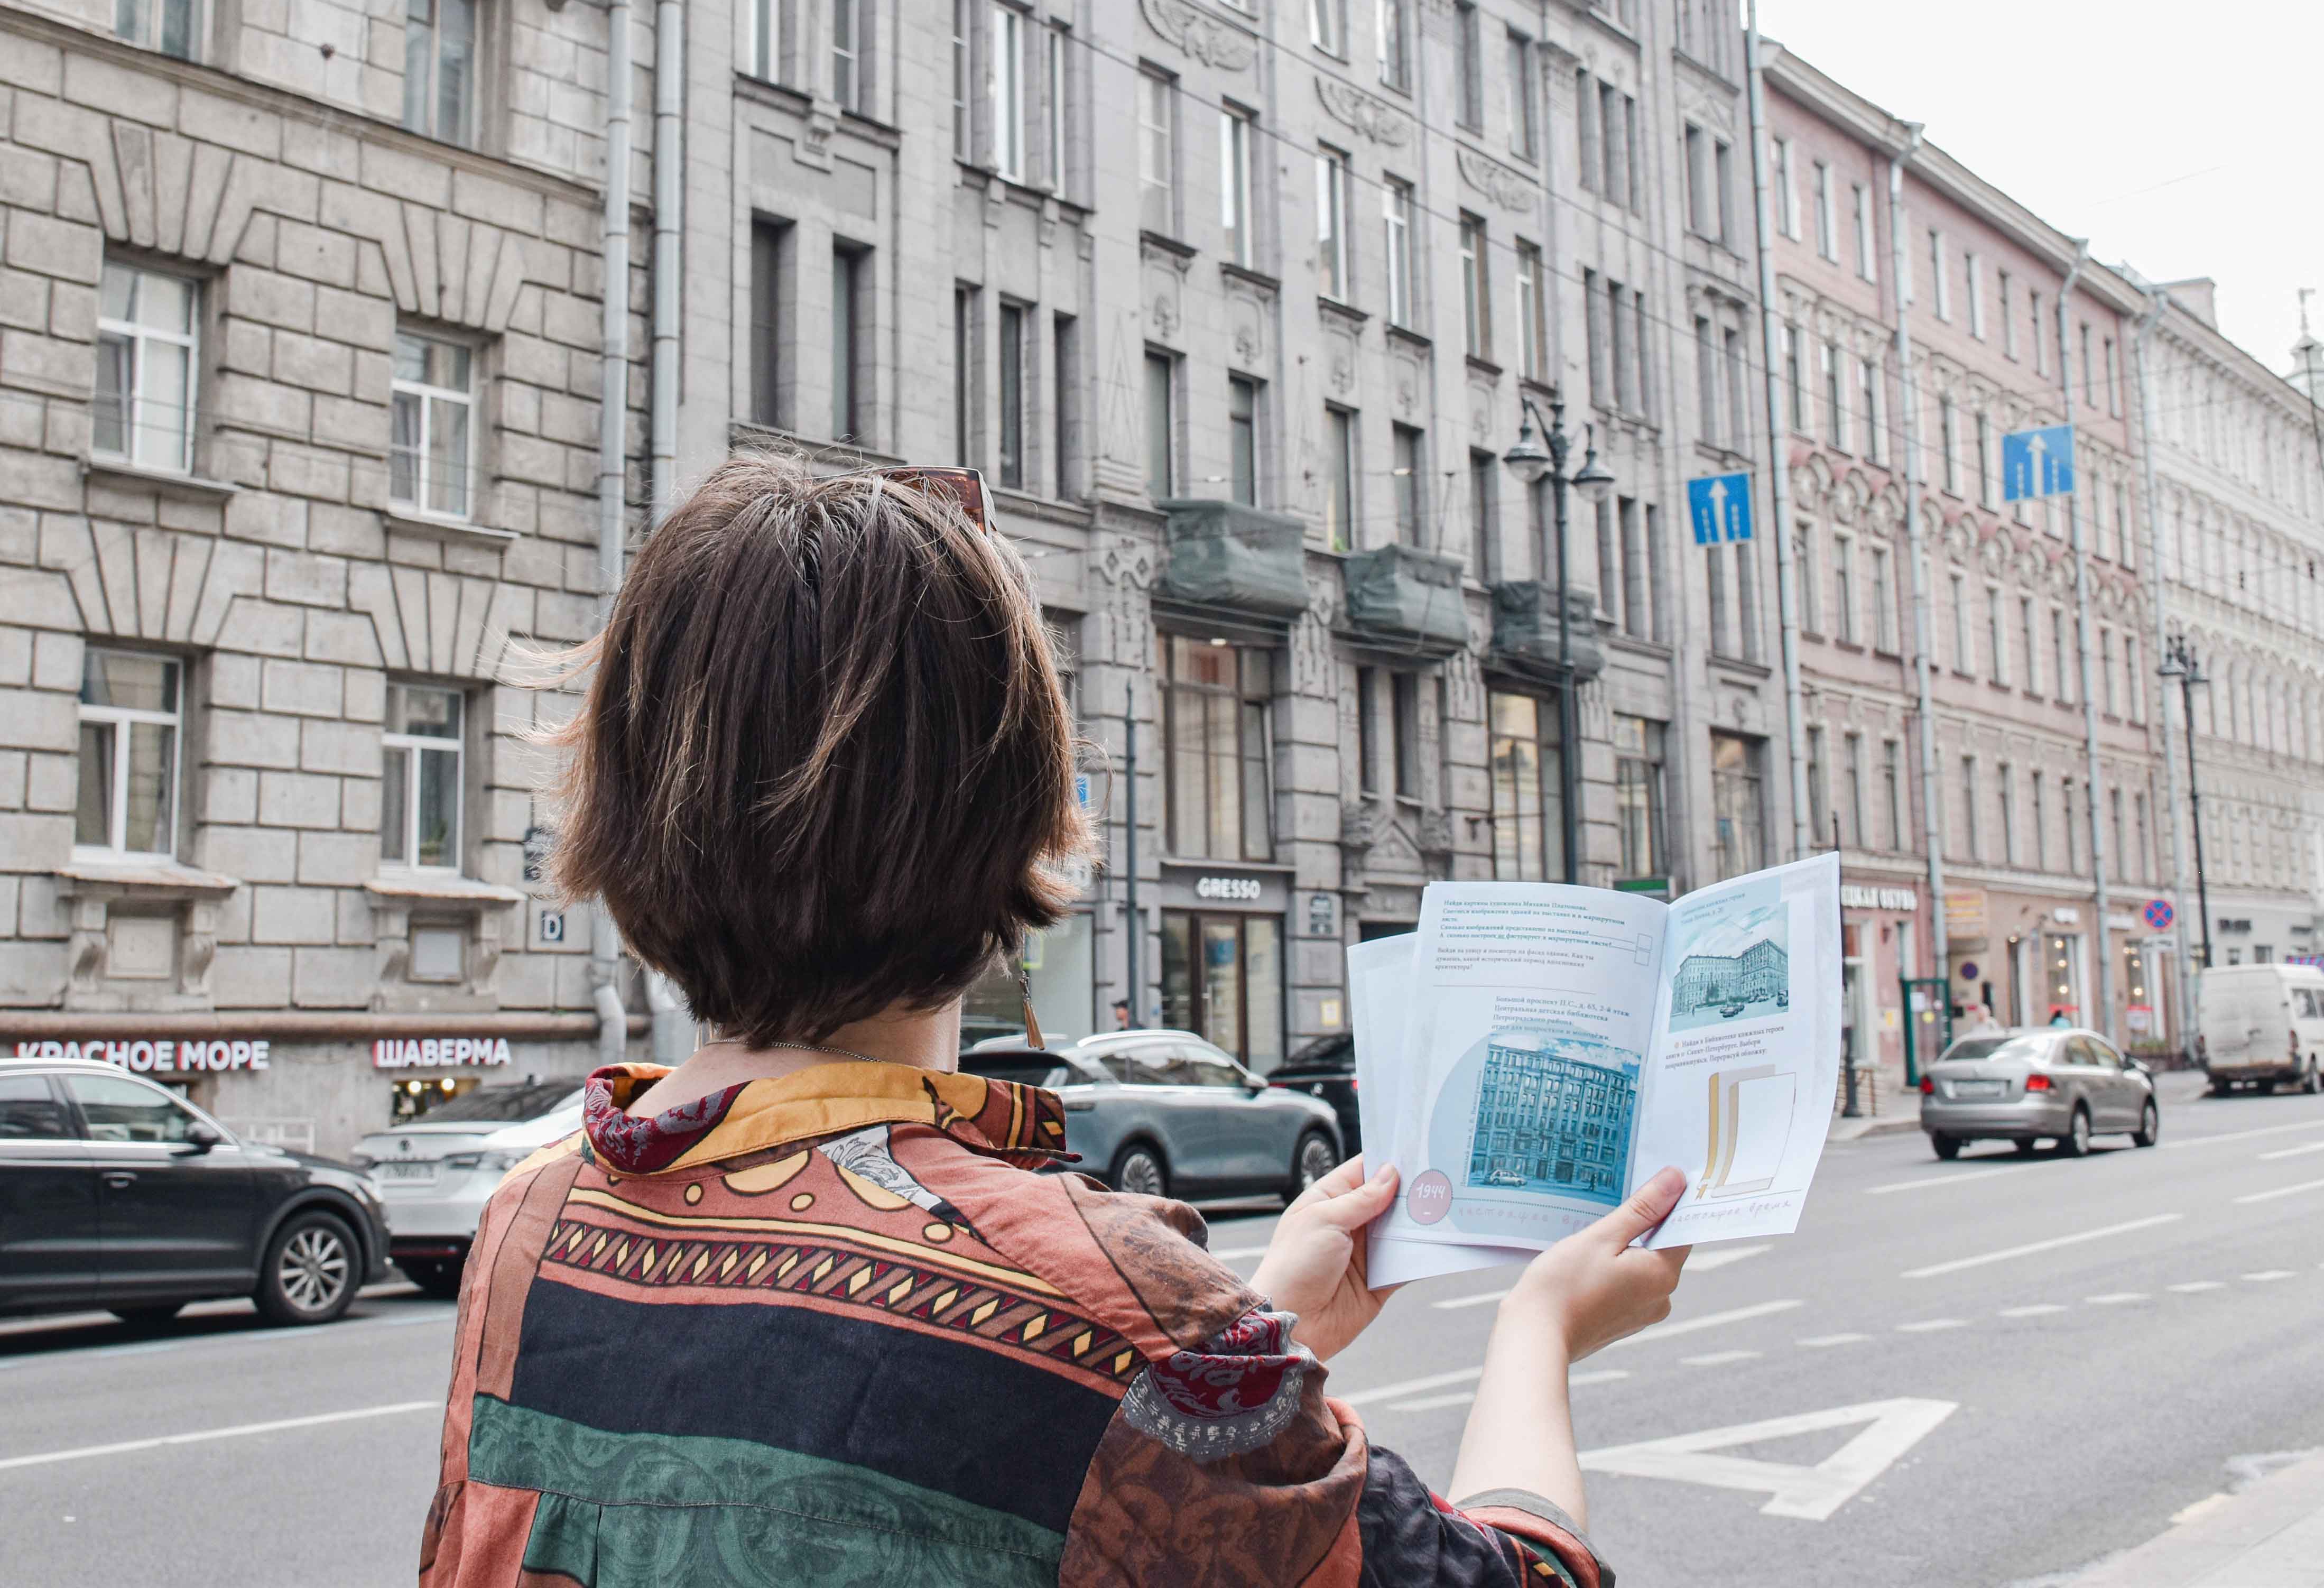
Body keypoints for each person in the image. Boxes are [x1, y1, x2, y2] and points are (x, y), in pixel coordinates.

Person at [419, 460, 1688, 1588]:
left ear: (629, 798)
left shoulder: (534, 1218)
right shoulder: (1111, 1308)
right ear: (1013, 808)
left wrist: (1250, 1333)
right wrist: (1539, 1325)